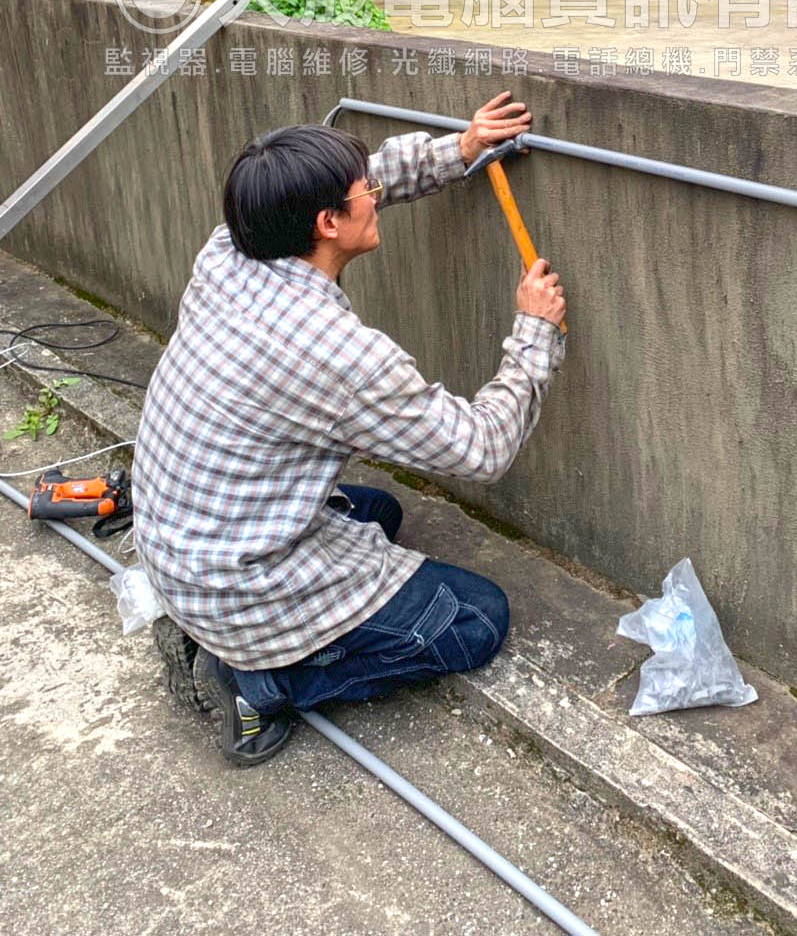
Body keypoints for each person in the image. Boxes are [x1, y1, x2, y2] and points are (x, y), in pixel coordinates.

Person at [131, 91, 566, 766]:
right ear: (328, 223)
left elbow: (376, 177)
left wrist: (463, 147)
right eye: (363, 189)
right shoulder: (335, 355)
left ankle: (239, 638)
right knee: (478, 617)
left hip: (182, 549)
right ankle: (266, 680)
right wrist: (535, 334)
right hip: (234, 587)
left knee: (379, 512)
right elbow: (479, 449)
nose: (376, 190)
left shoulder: (230, 248)